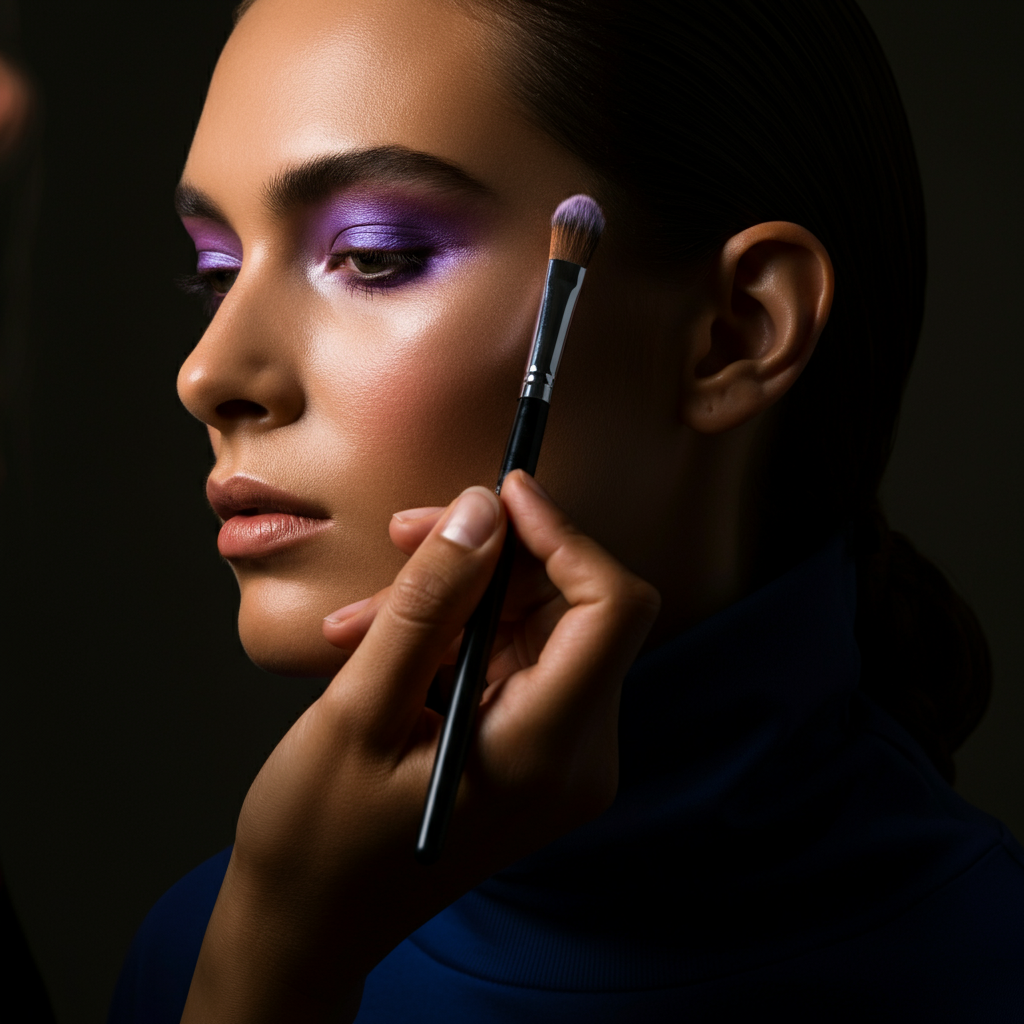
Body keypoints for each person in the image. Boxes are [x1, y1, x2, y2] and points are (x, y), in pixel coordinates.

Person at [109, 0, 1024, 1021]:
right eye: (216, 271)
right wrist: (271, 956)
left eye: (373, 255)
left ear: (734, 331)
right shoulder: (209, 947)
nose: (208, 373)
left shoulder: (991, 966)